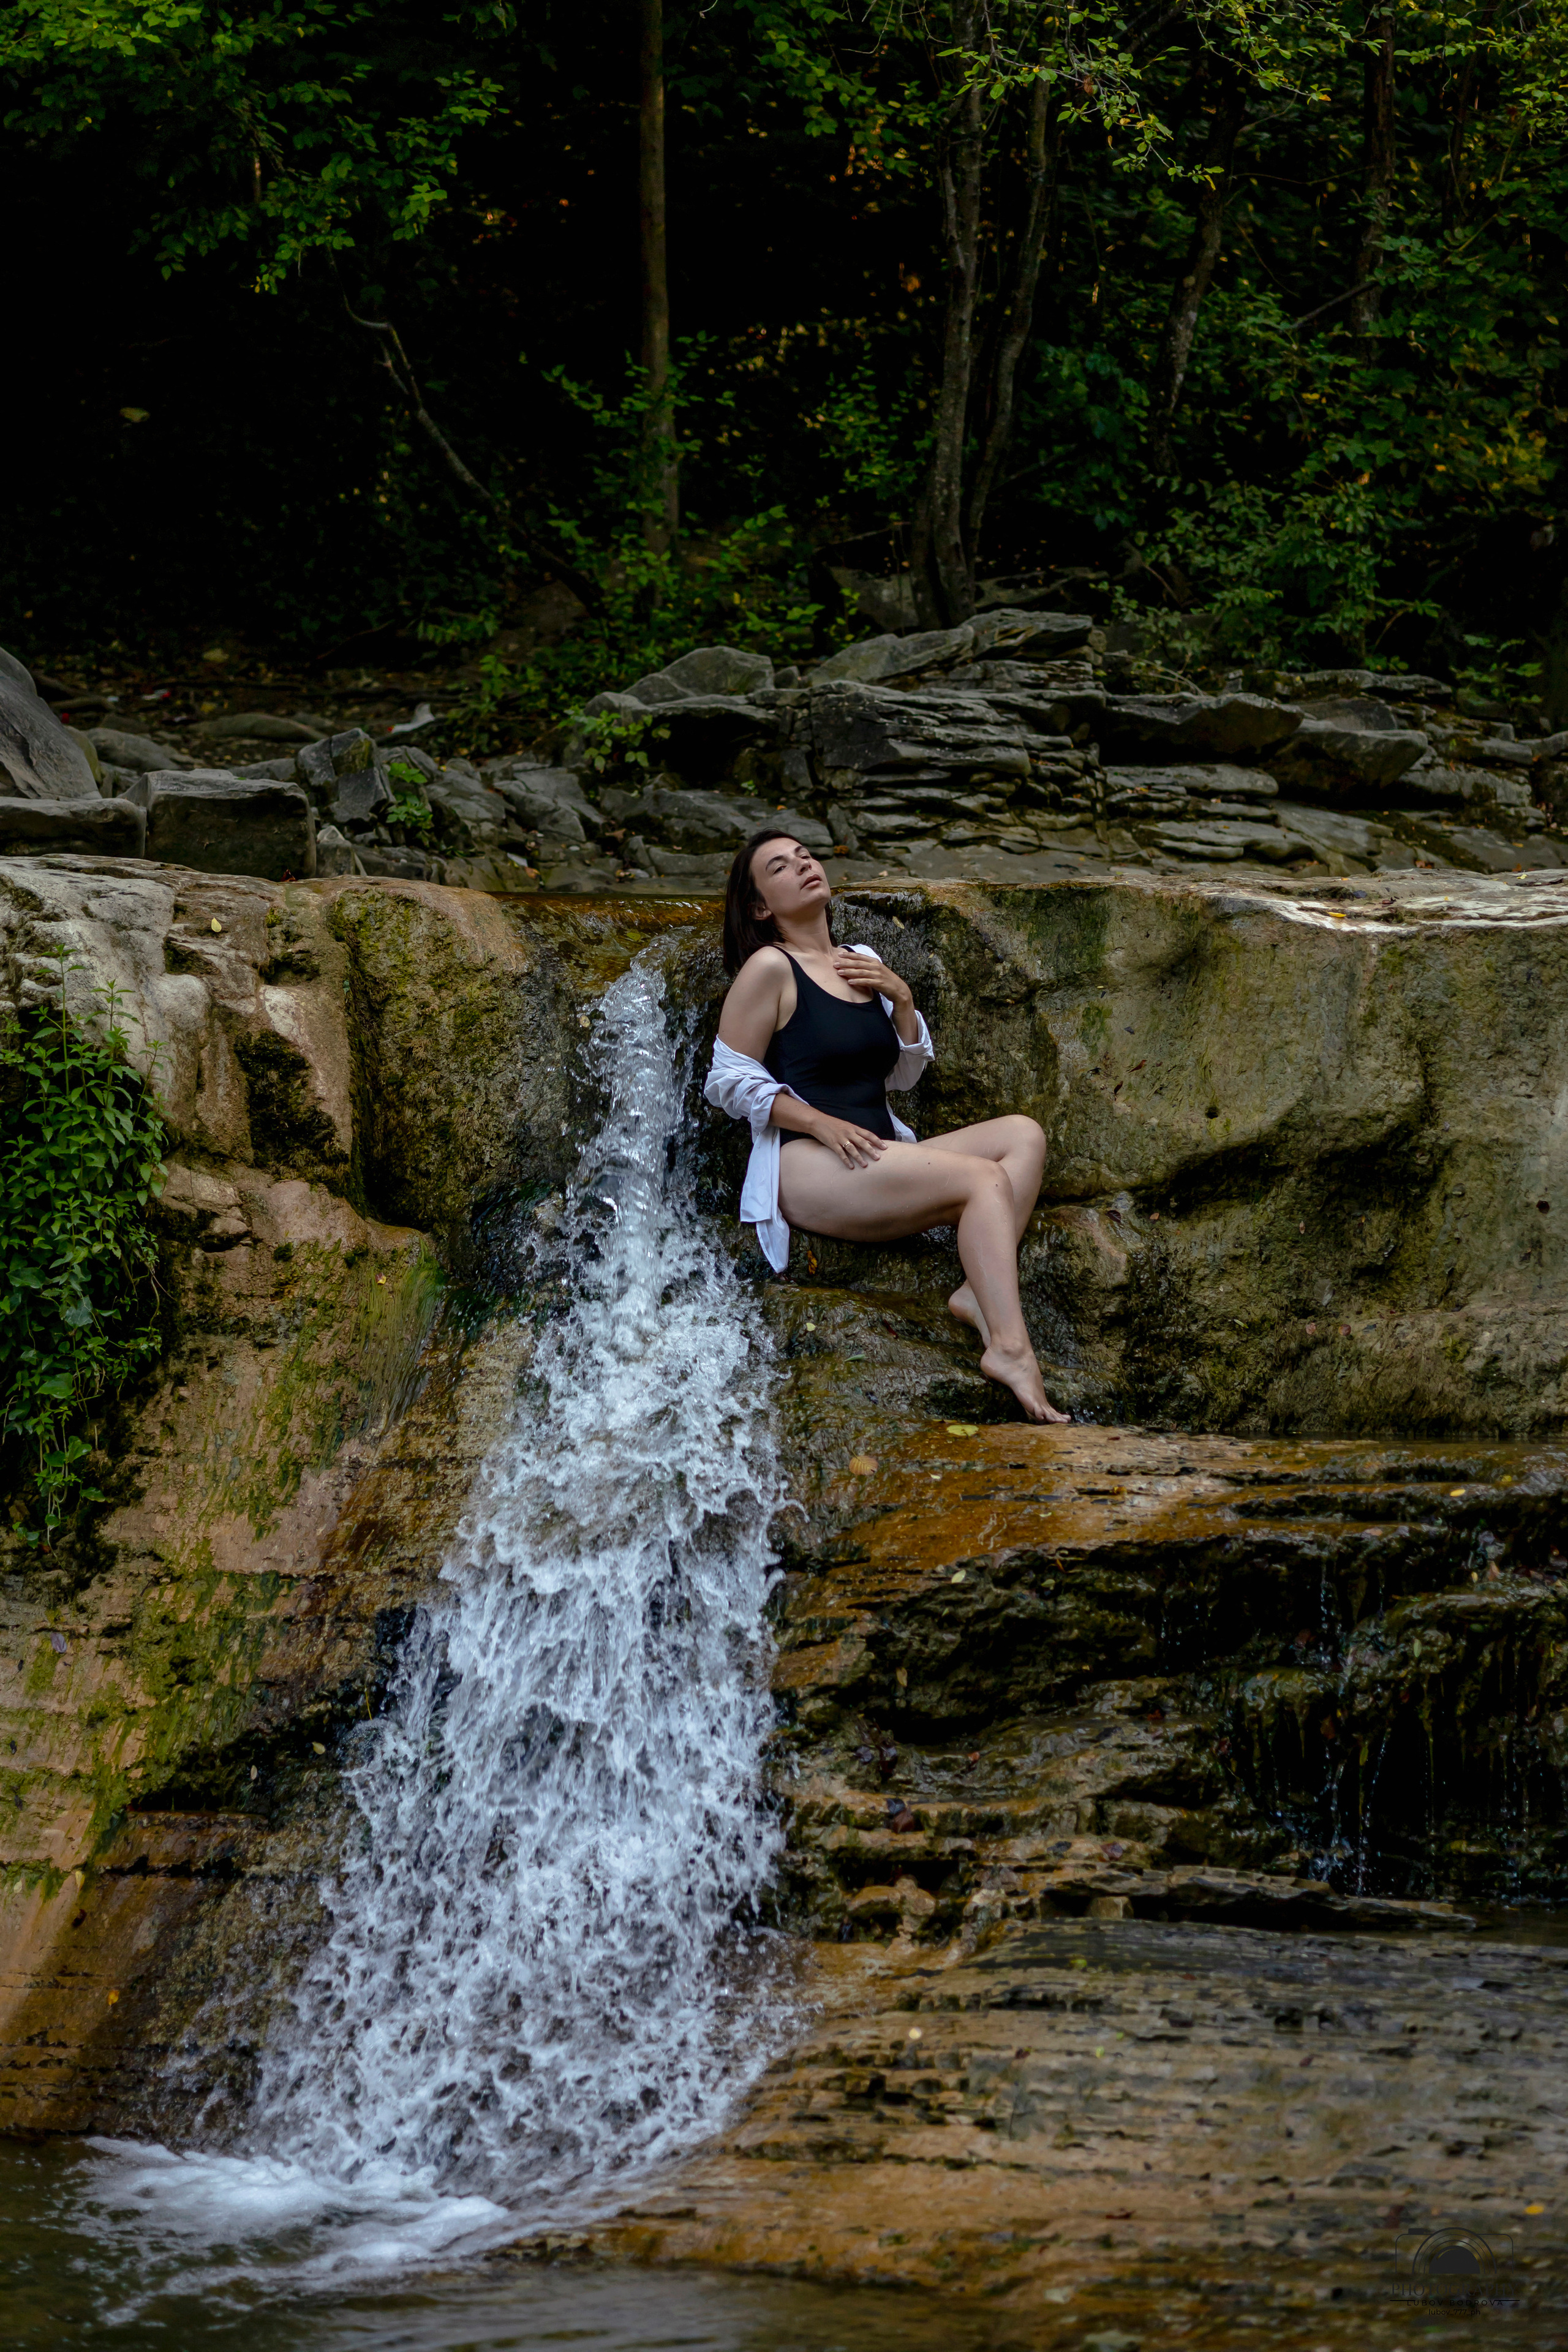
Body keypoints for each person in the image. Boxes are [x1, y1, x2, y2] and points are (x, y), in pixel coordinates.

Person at [704, 827, 1068, 1425]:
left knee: (1022, 1134)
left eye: (805, 856)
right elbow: (726, 1081)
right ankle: (1009, 1350)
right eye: (779, 867)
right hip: (809, 1165)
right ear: (760, 907)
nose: (803, 866)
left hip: (875, 1154)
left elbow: (900, 1076)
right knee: (983, 1181)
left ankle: (977, 1293)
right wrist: (817, 1122)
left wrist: (900, 998)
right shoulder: (770, 967)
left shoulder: (861, 963)